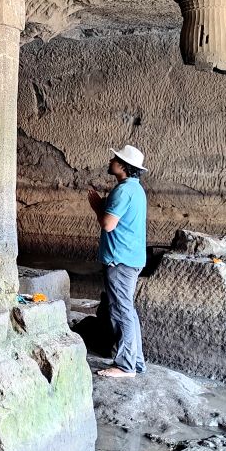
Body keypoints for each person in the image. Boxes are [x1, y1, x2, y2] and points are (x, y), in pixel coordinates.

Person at [86, 145, 148, 379]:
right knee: (127, 311)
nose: (111, 160)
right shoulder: (136, 189)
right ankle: (136, 361)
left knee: (122, 311)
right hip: (130, 258)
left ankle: (125, 366)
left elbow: (108, 224)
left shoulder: (122, 191)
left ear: (123, 166)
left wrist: (96, 208)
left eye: (115, 158)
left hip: (120, 260)